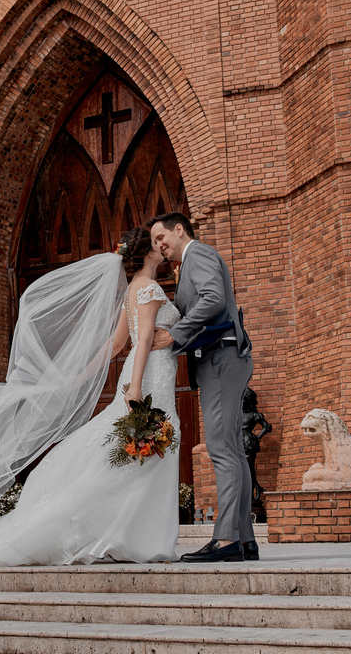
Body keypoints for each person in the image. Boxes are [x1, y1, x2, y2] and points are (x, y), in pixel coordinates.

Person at [0, 226, 181, 565]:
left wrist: (79, 378)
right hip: (149, 378)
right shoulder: (149, 289)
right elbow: (142, 342)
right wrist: (137, 386)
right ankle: (134, 538)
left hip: (142, 375)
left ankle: (126, 536)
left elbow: (116, 345)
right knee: (141, 451)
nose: (163, 246)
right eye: (157, 242)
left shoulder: (132, 289)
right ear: (146, 253)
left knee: (134, 453)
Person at [149, 211, 257, 563]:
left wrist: (174, 334)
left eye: (161, 238)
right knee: (232, 450)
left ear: (179, 230)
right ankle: (244, 539)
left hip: (221, 358)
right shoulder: (188, 265)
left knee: (221, 448)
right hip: (219, 359)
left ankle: (225, 539)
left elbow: (212, 299)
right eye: (154, 242)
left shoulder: (200, 253)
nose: (159, 245)